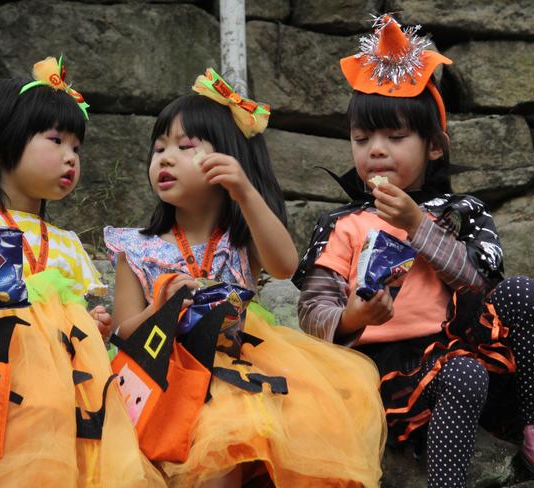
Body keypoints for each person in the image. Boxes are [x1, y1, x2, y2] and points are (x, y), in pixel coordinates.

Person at [294, 15, 534, 488]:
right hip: (384, 371)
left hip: (460, 347)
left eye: (395, 137)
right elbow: (311, 309)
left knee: (522, 294)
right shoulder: (342, 223)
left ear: (434, 147)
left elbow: (479, 284)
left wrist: (417, 225)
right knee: (464, 375)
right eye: (362, 138)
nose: (376, 150)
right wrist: (352, 317)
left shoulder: (460, 210)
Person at [104, 68, 385, 488]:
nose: (164, 158)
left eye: (184, 146)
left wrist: (245, 192)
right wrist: (161, 308)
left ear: (226, 158)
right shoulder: (136, 248)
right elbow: (123, 332)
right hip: (160, 369)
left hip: (237, 367)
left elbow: (286, 266)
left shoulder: (240, 238)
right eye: (158, 148)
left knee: (227, 437)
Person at [0, 56, 164, 487]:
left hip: (56, 398)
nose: (71, 158)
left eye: (77, 148)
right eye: (56, 141)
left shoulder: (65, 243)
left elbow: (74, 317)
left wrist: (91, 324)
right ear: (4, 145)